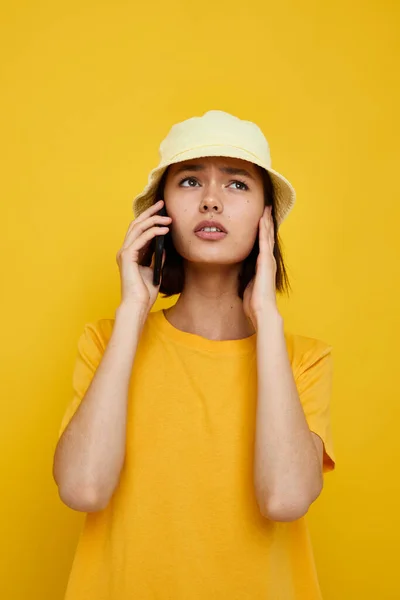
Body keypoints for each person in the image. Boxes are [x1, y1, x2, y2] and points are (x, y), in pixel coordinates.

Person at [53, 109, 336, 600]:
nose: (210, 201)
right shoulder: (106, 341)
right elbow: (83, 490)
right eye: (188, 181)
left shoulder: (303, 359)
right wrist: (131, 313)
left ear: (267, 217)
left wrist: (266, 319)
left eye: (237, 185)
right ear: (158, 212)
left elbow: (286, 498)